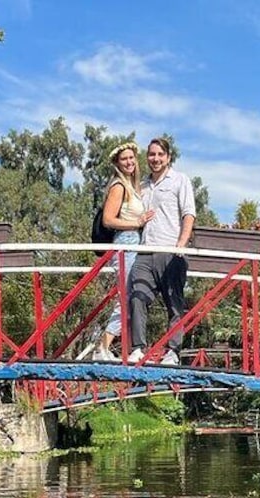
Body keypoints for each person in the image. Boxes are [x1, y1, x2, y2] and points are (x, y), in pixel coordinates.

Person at [127, 137, 196, 365]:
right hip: (145, 252)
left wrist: (181, 244)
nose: (155, 159)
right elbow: (133, 214)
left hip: (171, 252)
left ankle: (173, 352)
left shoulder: (180, 180)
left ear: (168, 157)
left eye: (160, 155)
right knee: (137, 297)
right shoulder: (142, 185)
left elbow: (189, 214)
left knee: (174, 302)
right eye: (151, 155)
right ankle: (138, 348)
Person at [92, 141, 155, 361]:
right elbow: (109, 220)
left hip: (135, 244)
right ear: (118, 164)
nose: (129, 162)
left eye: (131, 158)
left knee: (131, 296)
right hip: (126, 244)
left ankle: (107, 347)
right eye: (124, 159)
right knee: (126, 297)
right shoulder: (119, 186)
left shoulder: (134, 187)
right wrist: (137, 222)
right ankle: (103, 347)